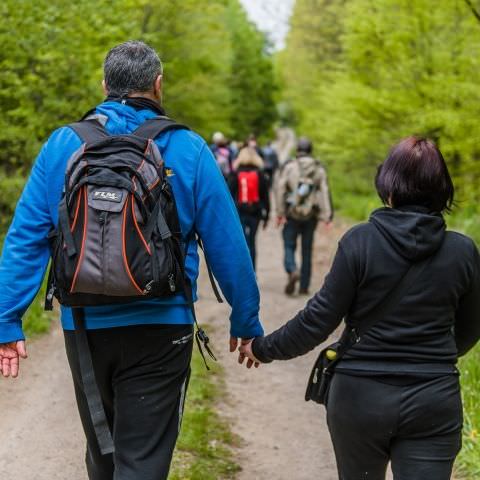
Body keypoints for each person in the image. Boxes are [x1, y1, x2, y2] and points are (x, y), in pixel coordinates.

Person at [0, 41, 264, 480]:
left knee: (104, 456)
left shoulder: (63, 144)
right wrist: (246, 319)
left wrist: (7, 320)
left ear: (105, 85)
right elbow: (228, 244)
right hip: (163, 326)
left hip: (84, 326)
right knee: (143, 461)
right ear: (158, 86)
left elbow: (26, 237)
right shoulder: (188, 148)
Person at [240, 136, 480, 480]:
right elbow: (472, 325)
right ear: (442, 189)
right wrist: (432, 356)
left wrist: (262, 348)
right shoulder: (463, 251)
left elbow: (317, 320)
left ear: (389, 187)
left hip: (359, 398)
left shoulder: (360, 242)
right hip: (432, 399)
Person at [276, 137, 333, 296]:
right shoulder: (318, 169)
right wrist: (326, 216)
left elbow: (280, 189)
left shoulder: (290, 167)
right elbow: (324, 192)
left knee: (289, 245)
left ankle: (292, 269)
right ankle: (304, 286)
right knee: (307, 250)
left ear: (298, 150)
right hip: (311, 215)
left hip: (291, 214)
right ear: (310, 150)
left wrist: (280, 213)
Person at [228, 147, 270, 270]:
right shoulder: (260, 174)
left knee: (242, 242)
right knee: (252, 242)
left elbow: (229, 194)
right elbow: (265, 196)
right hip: (255, 212)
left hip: (239, 211)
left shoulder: (236, 173)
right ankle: (253, 270)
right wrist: (266, 215)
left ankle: (242, 270)